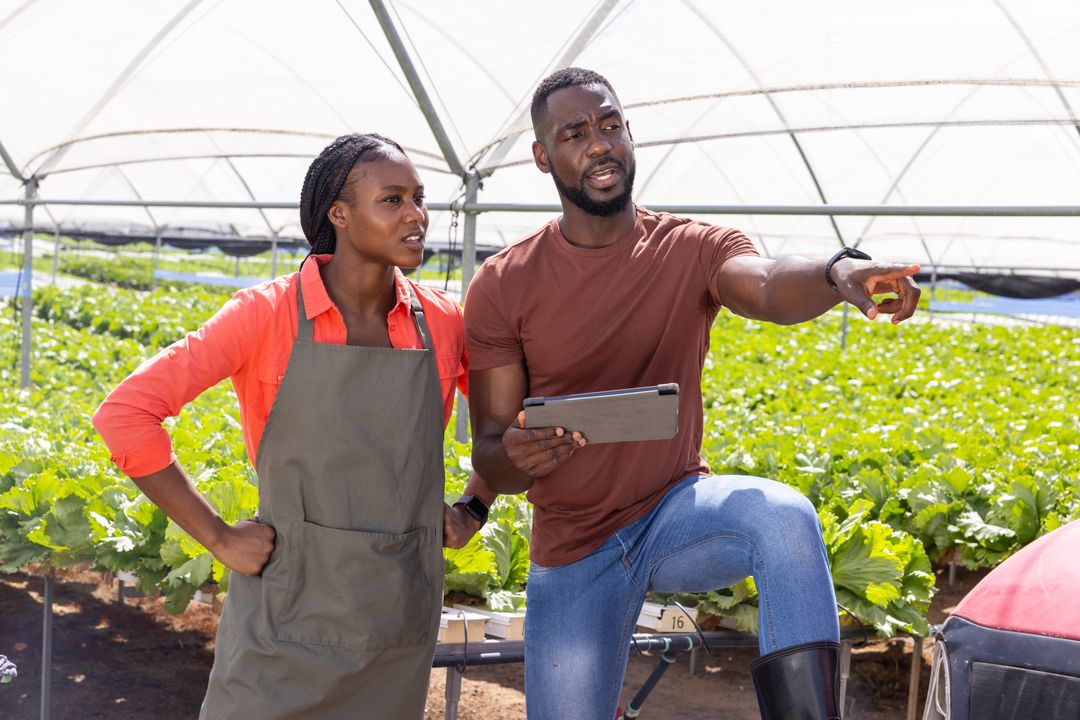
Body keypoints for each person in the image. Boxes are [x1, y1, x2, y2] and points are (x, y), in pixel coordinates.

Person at [464, 68, 921, 720]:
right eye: (574, 134)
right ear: (544, 157)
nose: (599, 144)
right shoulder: (505, 283)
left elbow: (763, 284)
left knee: (785, 518)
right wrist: (518, 455)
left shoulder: (690, 247)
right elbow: (491, 453)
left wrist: (835, 270)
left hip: (675, 518)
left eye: (610, 125)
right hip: (575, 550)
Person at [93, 133, 493, 719]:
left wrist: (475, 508)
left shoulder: (442, 321)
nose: (417, 216)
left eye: (420, 199)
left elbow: (509, 428)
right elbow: (126, 415)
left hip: (396, 619)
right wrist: (219, 538)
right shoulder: (265, 315)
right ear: (339, 214)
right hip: (283, 619)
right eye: (393, 200)